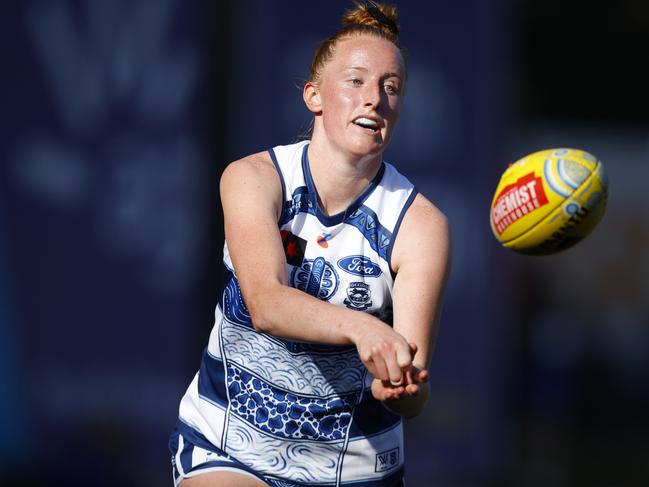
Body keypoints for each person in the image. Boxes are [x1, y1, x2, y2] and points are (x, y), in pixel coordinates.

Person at [169, 1, 451, 486]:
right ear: (314, 96)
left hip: (356, 469)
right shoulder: (254, 178)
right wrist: (365, 330)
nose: (375, 99)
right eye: (357, 81)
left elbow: (415, 389)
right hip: (230, 444)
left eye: (391, 87)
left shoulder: (420, 223)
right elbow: (267, 304)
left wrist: (401, 386)